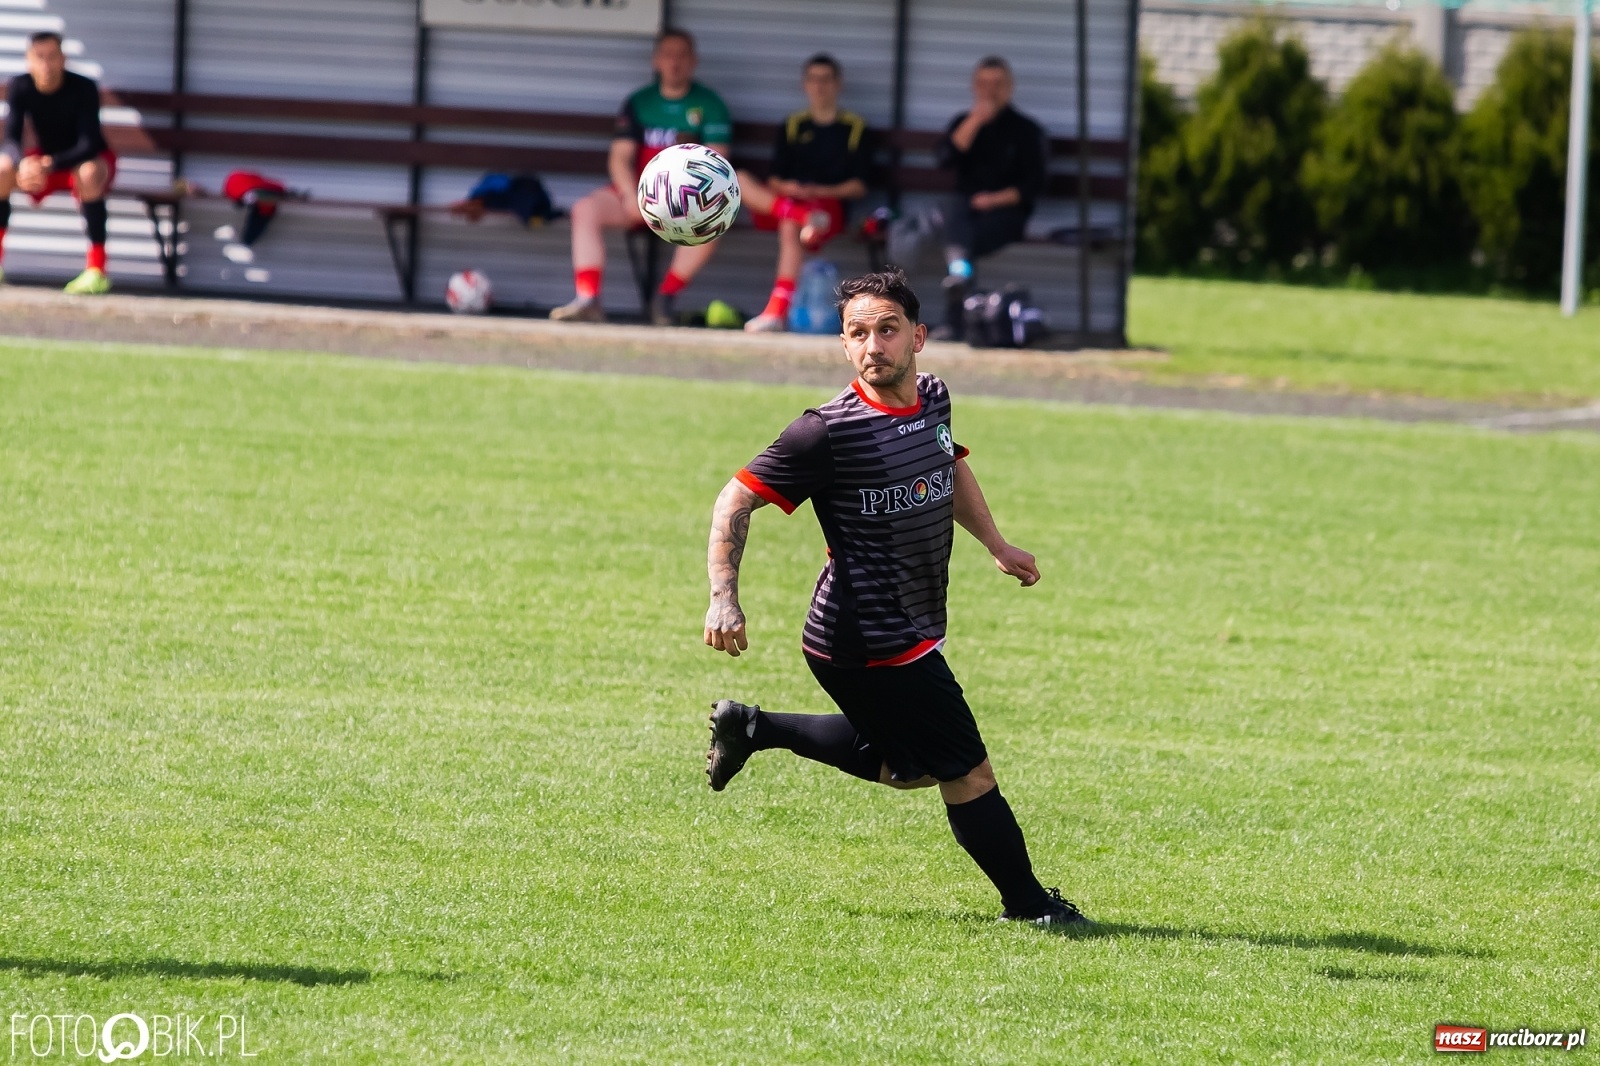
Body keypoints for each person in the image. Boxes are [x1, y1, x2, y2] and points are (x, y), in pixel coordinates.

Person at [700, 267, 1091, 929]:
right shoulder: (825, 431)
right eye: (858, 333)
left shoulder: (932, 398)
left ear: (919, 337)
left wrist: (996, 543)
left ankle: (753, 727)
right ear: (845, 345)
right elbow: (736, 498)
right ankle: (1030, 908)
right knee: (968, 771)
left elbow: (948, 463)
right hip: (865, 637)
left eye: (887, 329)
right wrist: (722, 599)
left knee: (906, 769)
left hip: (910, 622)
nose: (873, 344)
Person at [549, 28, 732, 326]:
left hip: (687, 203)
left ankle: (664, 301)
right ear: (656, 61)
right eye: (668, 55)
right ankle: (588, 299)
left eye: (682, 55)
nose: (675, 62)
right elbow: (619, 158)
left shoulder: (710, 105)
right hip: (638, 196)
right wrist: (631, 195)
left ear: (694, 61)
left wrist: (682, 204)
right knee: (585, 209)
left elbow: (717, 165)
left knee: (715, 218)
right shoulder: (639, 102)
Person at [736, 54, 870, 333]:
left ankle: (776, 312)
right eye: (813, 79)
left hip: (827, 208)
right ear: (804, 85)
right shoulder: (794, 124)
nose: (819, 86)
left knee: (791, 225)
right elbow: (774, 179)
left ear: (838, 84)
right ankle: (799, 215)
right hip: (787, 203)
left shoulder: (854, 127)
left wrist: (820, 190)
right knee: (738, 179)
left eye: (826, 79)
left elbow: (859, 186)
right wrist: (791, 189)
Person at [934, 57, 1046, 337]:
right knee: (955, 215)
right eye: (983, 84)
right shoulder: (963, 123)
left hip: (1006, 214)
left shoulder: (1026, 130)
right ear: (974, 86)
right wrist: (975, 121)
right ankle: (964, 308)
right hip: (965, 211)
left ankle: (956, 315)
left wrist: (993, 200)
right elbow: (945, 158)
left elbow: (1034, 185)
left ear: (1010, 88)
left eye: (997, 84)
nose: (990, 91)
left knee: (959, 240)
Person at [0, 31, 115, 294]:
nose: (46, 65)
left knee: (88, 173)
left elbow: (90, 144)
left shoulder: (84, 87)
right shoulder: (20, 86)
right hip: (46, 161)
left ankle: (96, 270)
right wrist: (26, 164)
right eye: (39, 57)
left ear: (64, 59)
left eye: (52, 57)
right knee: (3, 169)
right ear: (28, 60)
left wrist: (49, 164)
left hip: (85, 160)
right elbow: (11, 140)